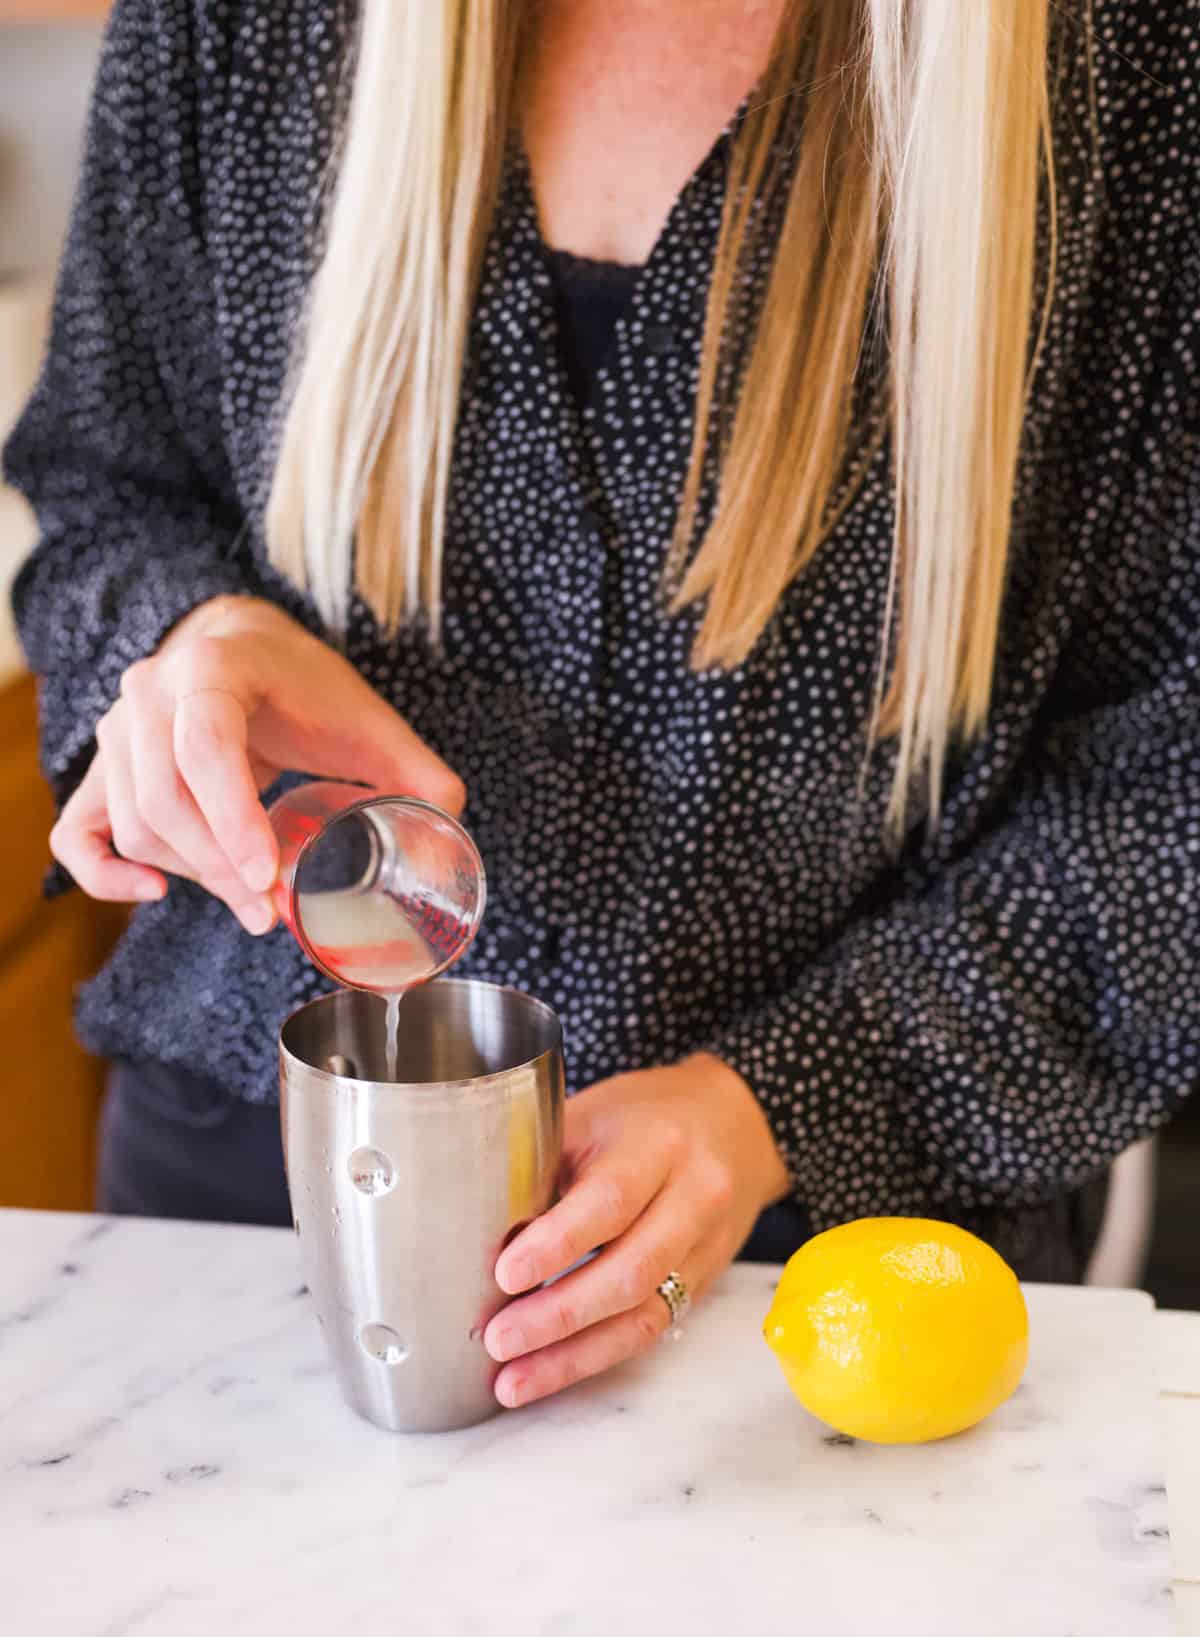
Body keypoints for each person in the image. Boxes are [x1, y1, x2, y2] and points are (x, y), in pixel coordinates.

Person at [5, 0, 1198, 1409]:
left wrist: (779, 1100)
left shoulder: (1132, 67)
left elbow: (1170, 793)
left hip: (833, 1282)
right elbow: (109, 478)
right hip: (250, 1208)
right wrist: (189, 643)